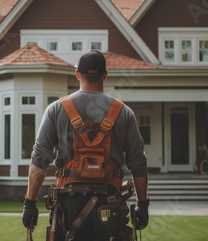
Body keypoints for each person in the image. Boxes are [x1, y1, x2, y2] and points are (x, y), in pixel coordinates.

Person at [22, 50, 149, 241]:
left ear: (77, 74)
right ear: (105, 75)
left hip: (68, 208)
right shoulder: (124, 113)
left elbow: (39, 160)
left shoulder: (56, 110)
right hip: (110, 206)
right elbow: (138, 164)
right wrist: (142, 204)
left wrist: (29, 203)